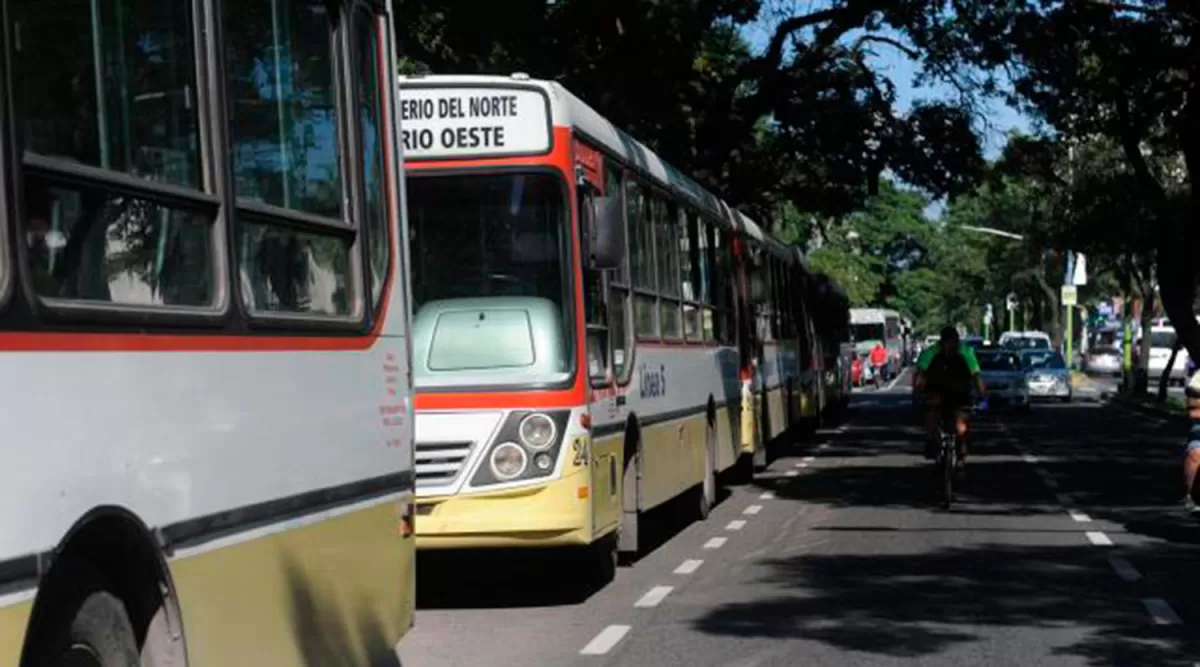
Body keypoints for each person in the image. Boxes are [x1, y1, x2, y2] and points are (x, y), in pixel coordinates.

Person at [914, 327, 988, 465]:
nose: (951, 347)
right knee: (932, 414)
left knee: (961, 425)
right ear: (942, 343)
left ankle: (961, 451)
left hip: (959, 394)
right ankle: (932, 441)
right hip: (937, 392)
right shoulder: (930, 353)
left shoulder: (966, 352)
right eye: (948, 343)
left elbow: (976, 376)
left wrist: (983, 396)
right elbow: (920, 376)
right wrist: (918, 394)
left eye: (954, 343)